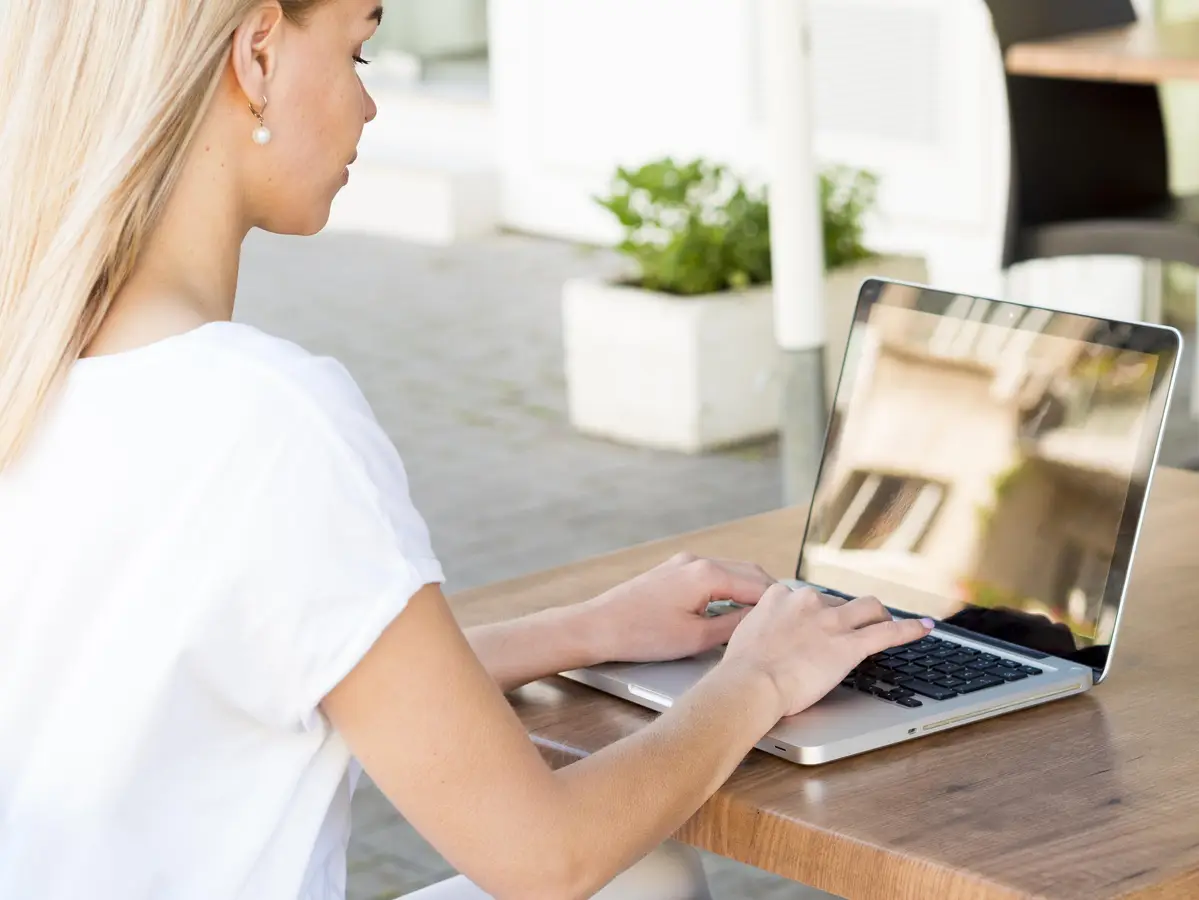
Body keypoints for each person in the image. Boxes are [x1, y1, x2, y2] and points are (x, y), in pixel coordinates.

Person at [0, 2, 934, 898]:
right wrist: (759, 675)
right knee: (628, 875)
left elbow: (269, 676)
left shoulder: (32, 367)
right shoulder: (266, 416)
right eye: (359, 50)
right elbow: (545, 858)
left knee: (646, 880)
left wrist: (589, 629)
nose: (368, 104)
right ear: (256, 58)